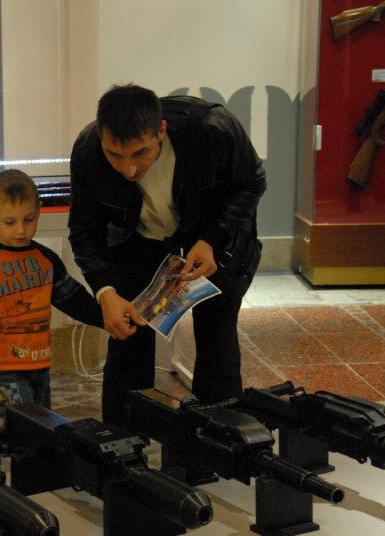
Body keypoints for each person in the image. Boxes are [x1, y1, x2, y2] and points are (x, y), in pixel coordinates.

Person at [68, 83, 267, 426]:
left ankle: (219, 437)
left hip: (215, 240)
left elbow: (251, 183)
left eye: (140, 153)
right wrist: (105, 291)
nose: (129, 169)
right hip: (139, 240)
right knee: (128, 335)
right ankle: (122, 440)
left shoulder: (212, 129)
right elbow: (84, 231)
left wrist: (210, 239)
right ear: (100, 136)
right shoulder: (88, 151)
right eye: (115, 155)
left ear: (161, 130)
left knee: (217, 336)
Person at [0, 169, 104, 419]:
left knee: (42, 428)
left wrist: (109, 319)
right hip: (1, 367)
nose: (21, 230)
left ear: (39, 211)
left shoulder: (47, 259)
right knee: (18, 430)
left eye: (29, 220)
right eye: (10, 222)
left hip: (40, 363)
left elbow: (73, 300)